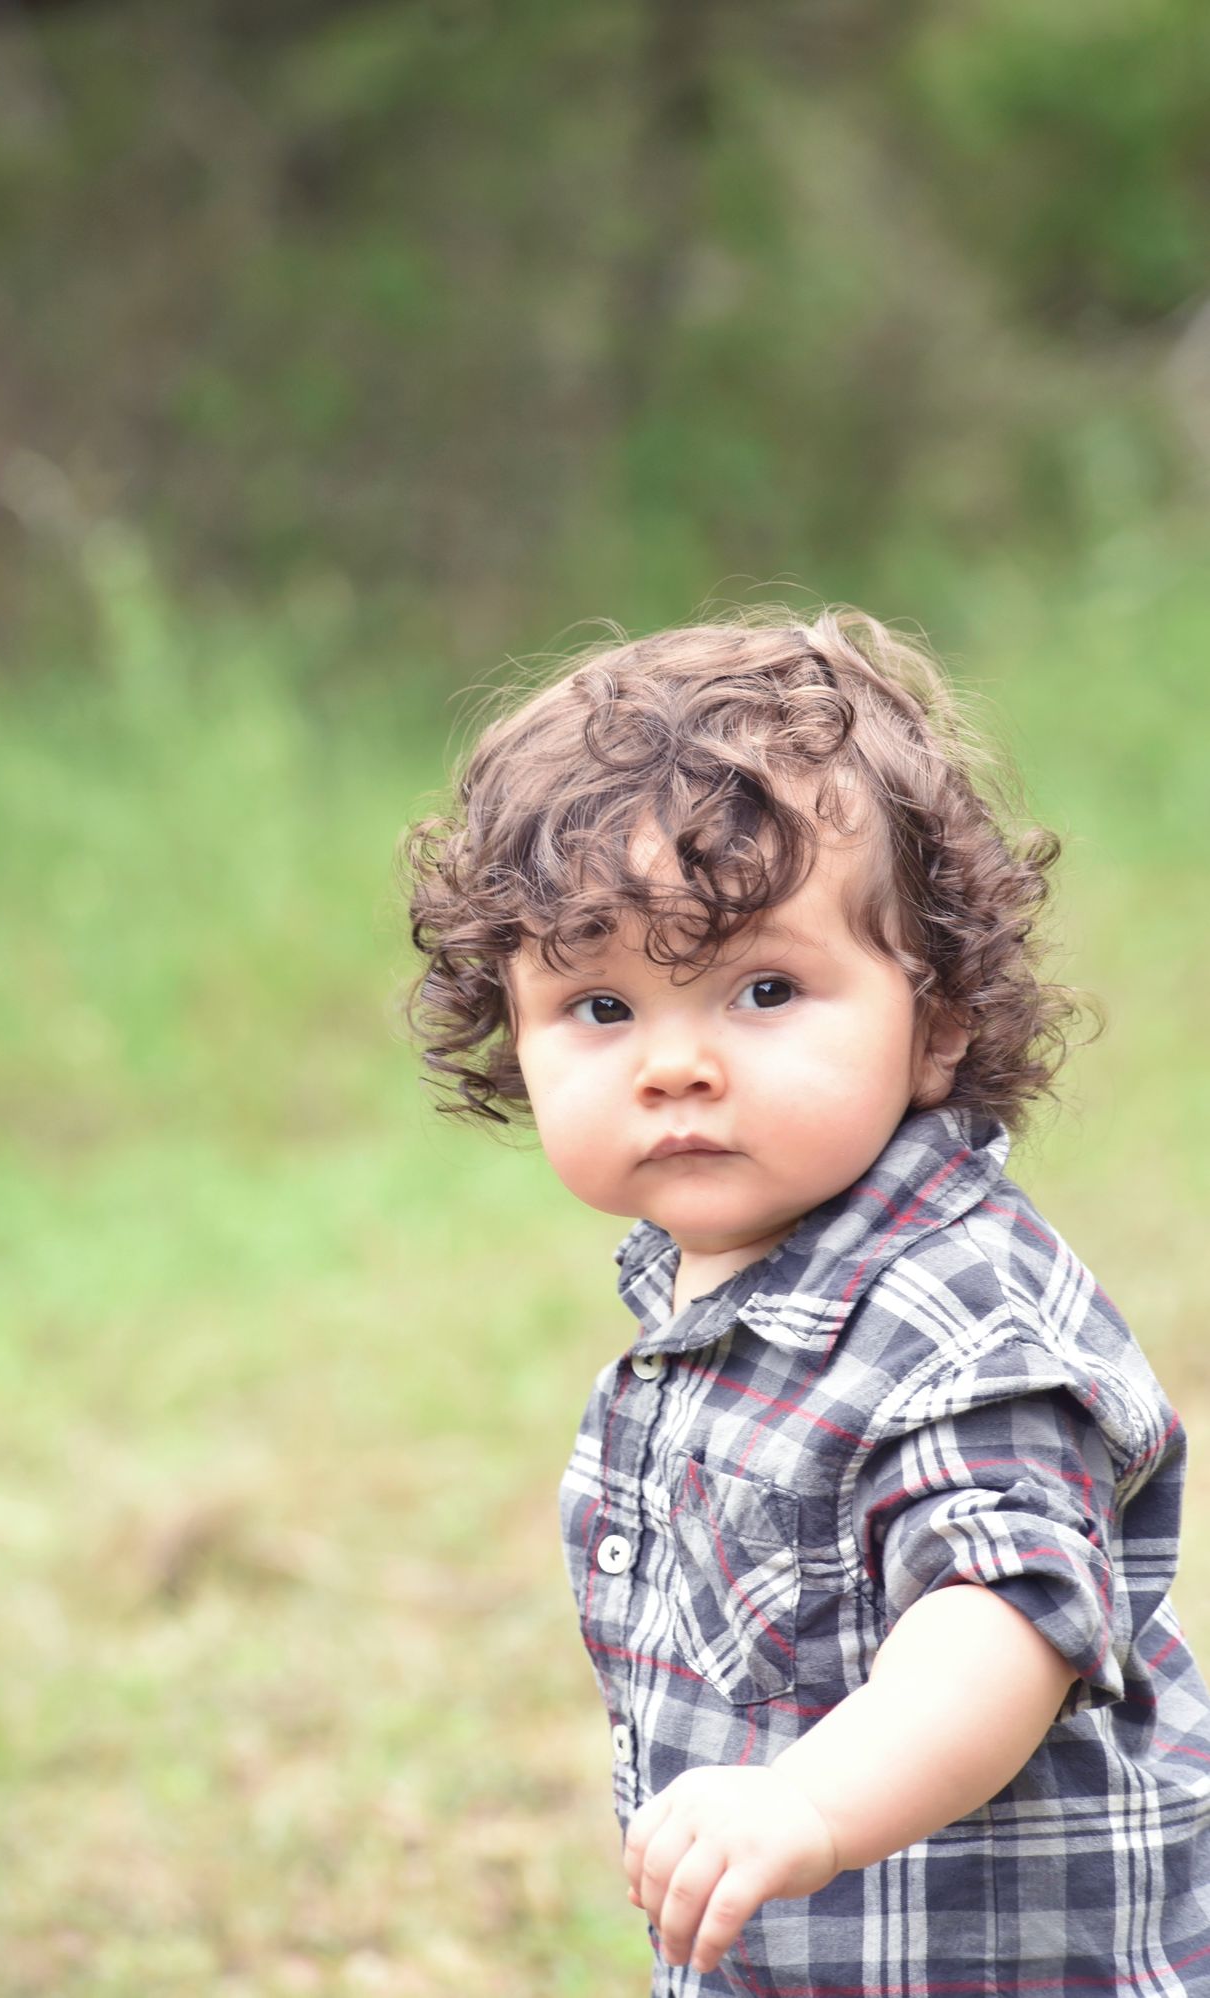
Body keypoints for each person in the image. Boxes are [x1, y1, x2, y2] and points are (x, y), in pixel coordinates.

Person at [403, 607, 1210, 1997]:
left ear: (936, 1017)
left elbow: (998, 1617)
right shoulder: (726, 1296)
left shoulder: (960, 1321)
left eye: (761, 987)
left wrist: (807, 1803)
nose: (673, 1064)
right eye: (598, 1006)